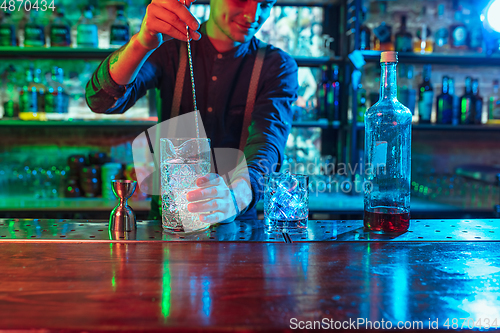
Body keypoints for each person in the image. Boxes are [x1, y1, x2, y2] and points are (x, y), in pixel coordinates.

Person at [85, 0, 299, 224]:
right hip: (170, 224)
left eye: (265, 4)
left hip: (238, 224)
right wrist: (142, 43)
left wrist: (235, 197)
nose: (253, 14)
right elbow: (103, 101)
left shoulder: (277, 66)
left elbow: (267, 144)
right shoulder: (168, 47)